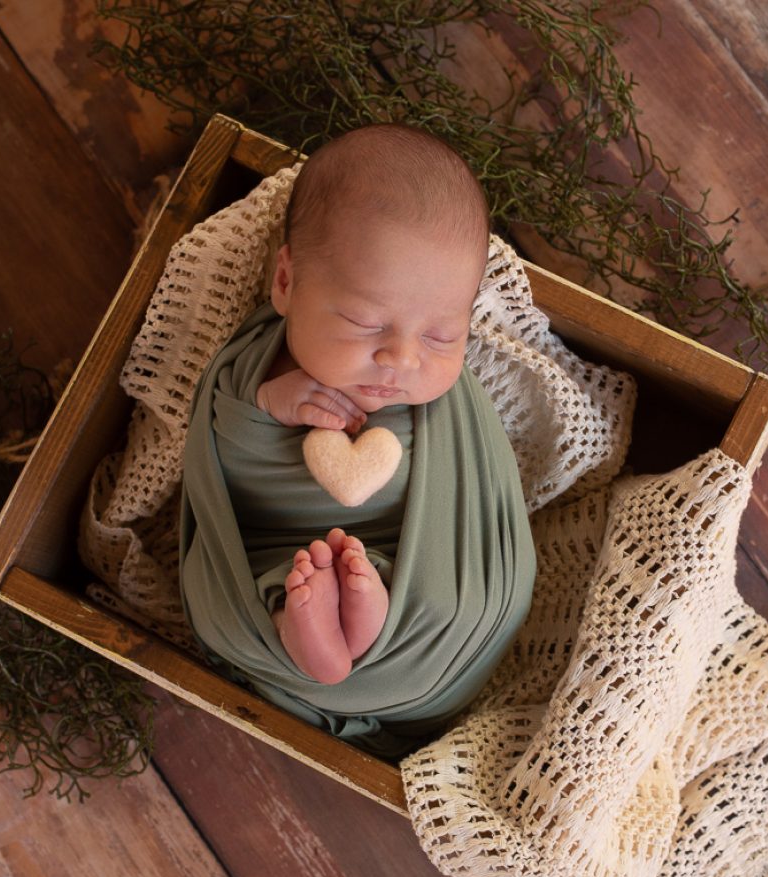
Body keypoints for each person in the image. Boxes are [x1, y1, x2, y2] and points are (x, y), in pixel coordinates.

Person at [180, 123, 536, 757]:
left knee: (451, 597)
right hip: (271, 546)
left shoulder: (443, 407)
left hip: (424, 593)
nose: (400, 358)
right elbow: (225, 465)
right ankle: (302, 622)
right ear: (286, 283)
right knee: (251, 586)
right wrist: (267, 405)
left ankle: (368, 607)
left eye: (441, 337)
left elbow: (475, 495)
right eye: (365, 322)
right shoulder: (249, 371)